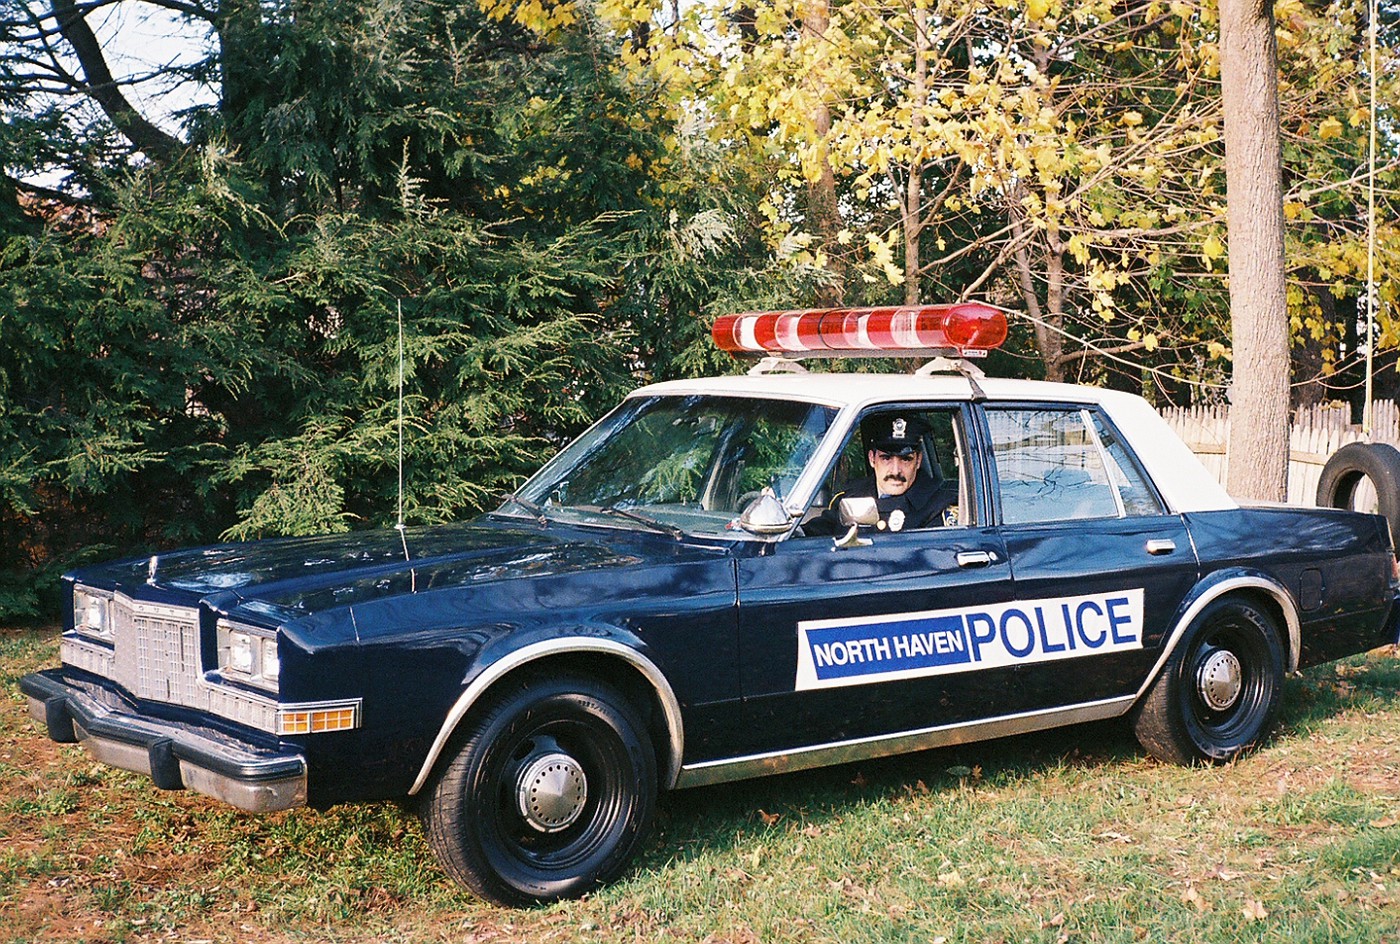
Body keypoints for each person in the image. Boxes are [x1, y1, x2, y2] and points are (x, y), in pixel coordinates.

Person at [805, 413, 958, 535]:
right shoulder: (851, 496)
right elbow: (816, 533)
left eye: (906, 459)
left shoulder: (938, 506)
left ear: (918, 461)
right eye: (886, 458)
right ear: (872, 459)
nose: (895, 471)